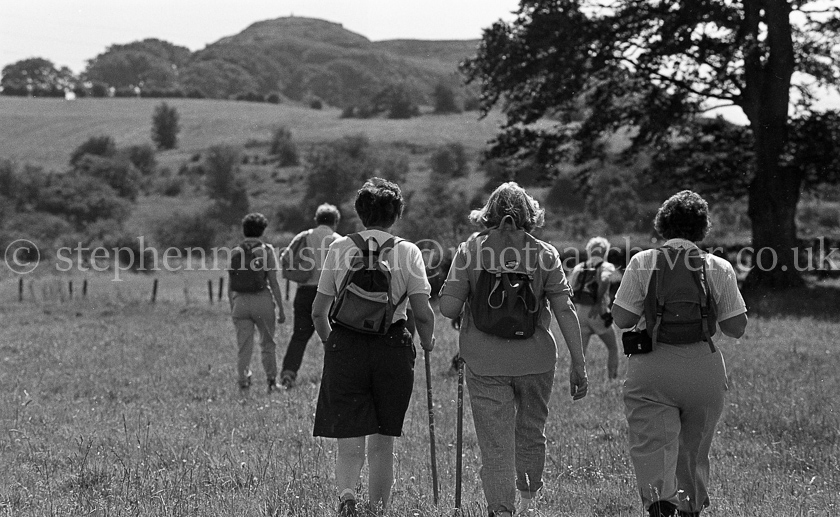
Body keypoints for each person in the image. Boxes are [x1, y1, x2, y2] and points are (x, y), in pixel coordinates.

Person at [439, 182, 589, 517]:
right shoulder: (545, 253)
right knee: (531, 431)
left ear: (488, 214)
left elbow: (448, 308)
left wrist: (465, 292)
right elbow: (565, 310)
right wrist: (578, 363)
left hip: (485, 361)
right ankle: (528, 503)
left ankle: (502, 511)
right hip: (536, 360)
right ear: (529, 216)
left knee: (496, 443)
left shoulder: (470, 249)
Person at [611, 190, 748, 517]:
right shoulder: (718, 266)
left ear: (663, 224)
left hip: (652, 366)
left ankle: (660, 503)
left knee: (652, 444)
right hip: (703, 367)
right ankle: (690, 506)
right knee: (694, 450)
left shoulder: (643, 261)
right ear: (702, 228)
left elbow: (622, 319)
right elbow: (736, 328)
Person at [311, 178, 436, 516]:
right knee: (383, 442)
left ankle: (347, 497)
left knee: (349, 437)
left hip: (346, 346)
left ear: (360, 213)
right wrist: (427, 341)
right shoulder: (408, 251)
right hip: (392, 347)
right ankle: (378, 509)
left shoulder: (339, 247)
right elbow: (423, 313)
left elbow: (318, 312)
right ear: (396, 214)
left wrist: (332, 344)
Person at [278, 203, 341, 389]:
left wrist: (298, 270)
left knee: (299, 336)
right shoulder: (339, 240)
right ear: (335, 221)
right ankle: (337, 375)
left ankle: (288, 374)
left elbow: (284, 258)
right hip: (330, 295)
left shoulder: (304, 236)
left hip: (305, 292)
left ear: (316, 219)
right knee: (334, 337)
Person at [227, 213, 287, 393]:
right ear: (262, 231)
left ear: (244, 230)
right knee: (267, 343)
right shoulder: (266, 250)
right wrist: (281, 308)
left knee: (244, 347)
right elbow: (273, 282)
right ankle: (271, 381)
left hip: (240, 302)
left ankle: (243, 381)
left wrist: (233, 306)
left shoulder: (235, 251)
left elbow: (230, 284)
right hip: (262, 301)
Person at [567, 236, 620, 379]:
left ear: (589, 250)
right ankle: (612, 380)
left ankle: (575, 381)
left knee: (579, 354)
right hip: (598, 313)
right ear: (605, 251)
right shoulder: (606, 266)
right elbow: (605, 280)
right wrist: (597, 302)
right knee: (613, 348)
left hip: (580, 313)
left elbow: (569, 288)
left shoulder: (579, 267)